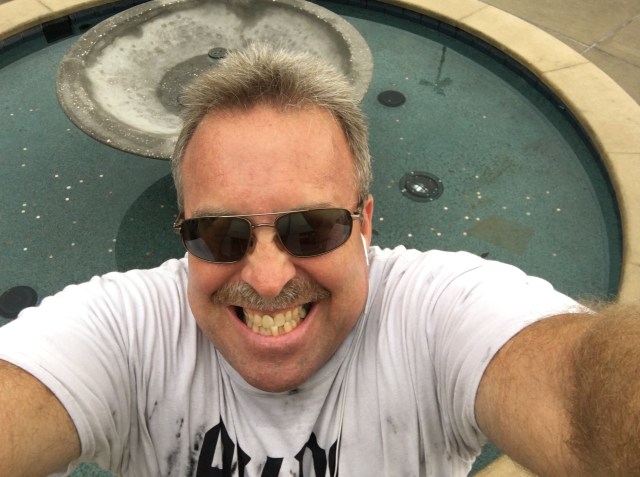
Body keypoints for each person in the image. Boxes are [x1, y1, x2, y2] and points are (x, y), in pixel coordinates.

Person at [0, 43, 638, 477]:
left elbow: (582, 396)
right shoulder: (125, 332)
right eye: (220, 234)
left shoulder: (437, 315)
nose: (266, 278)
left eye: (311, 229)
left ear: (365, 223)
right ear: (184, 232)